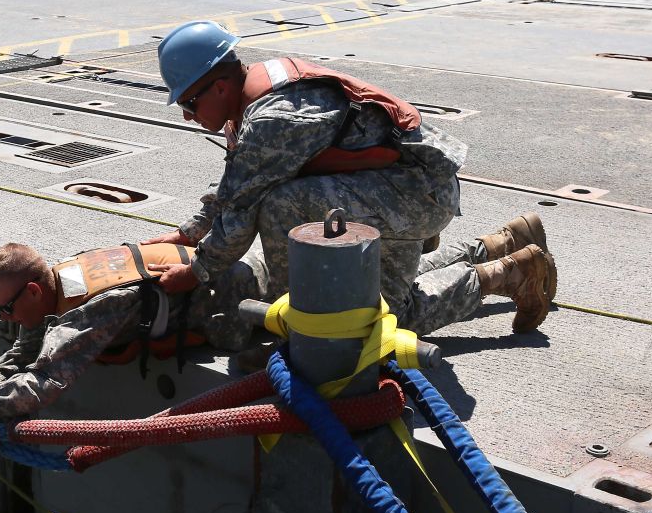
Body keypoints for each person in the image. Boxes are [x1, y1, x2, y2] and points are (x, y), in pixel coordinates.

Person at [143, 20, 556, 339]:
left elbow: (240, 215)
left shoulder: (272, 120)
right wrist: (187, 234)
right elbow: (239, 184)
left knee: (371, 324)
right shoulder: (253, 95)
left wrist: (197, 272)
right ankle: (503, 244)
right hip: (392, 189)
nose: (186, 115)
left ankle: (300, 320)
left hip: (413, 196)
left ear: (218, 87)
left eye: (189, 102)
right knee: (374, 291)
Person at [0, 240, 265, 421]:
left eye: (6, 309)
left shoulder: (89, 309)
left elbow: (40, 386)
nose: (5, 319)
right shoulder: (58, 284)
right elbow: (23, 353)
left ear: (33, 291)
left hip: (244, 300)